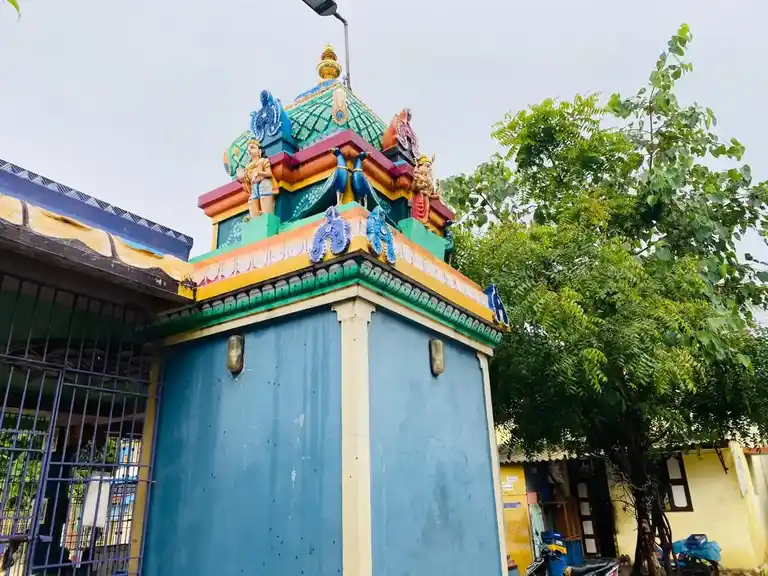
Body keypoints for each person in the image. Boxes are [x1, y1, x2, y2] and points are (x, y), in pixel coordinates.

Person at [236, 139, 274, 219]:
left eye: (252, 147)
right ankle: (255, 217)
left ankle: (266, 215)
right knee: (251, 200)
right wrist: (242, 178)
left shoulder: (263, 161)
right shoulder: (248, 167)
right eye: (248, 149)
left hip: (264, 185)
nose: (249, 150)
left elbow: (269, 173)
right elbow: (247, 182)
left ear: (259, 151)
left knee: (264, 190)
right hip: (254, 188)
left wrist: (259, 173)